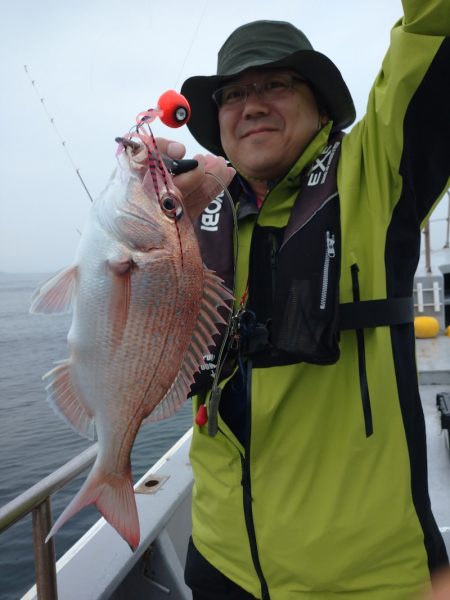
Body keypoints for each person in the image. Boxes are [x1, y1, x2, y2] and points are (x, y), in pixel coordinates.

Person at [157, 4, 450, 599]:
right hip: (218, 561)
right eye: (234, 93)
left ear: (322, 107)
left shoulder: (376, 175)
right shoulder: (191, 222)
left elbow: (434, 29)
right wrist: (154, 207)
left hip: (364, 581)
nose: (253, 102)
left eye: (276, 84)